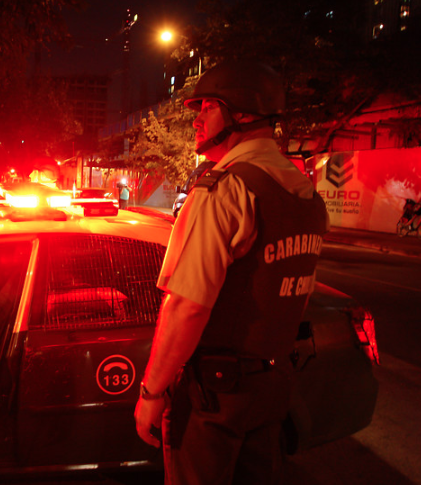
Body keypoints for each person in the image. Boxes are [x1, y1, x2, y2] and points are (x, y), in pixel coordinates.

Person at [134, 60, 329, 484]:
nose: (197, 120)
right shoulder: (305, 196)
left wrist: (152, 392)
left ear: (242, 113)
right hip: (271, 387)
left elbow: (187, 306)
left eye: (208, 107)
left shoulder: (225, 190)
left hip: (215, 397)